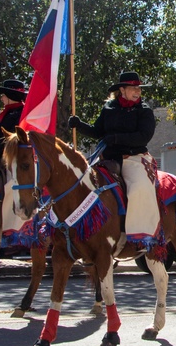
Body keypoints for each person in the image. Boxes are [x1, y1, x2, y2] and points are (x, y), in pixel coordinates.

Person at [68, 71, 161, 253]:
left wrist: (116, 138)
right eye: (133, 88)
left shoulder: (144, 111)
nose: (137, 91)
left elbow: (143, 137)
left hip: (134, 158)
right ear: (122, 90)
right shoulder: (109, 107)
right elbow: (97, 131)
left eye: (138, 88)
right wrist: (79, 125)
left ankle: (142, 235)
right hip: (108, 158)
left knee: (139, 188)